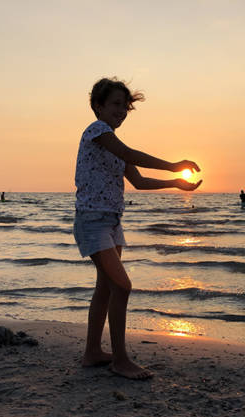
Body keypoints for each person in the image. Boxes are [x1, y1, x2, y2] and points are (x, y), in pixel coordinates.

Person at [74, 77, 202, 380]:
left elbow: (139, 181)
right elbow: (132, 154)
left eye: (125, 107)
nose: (121, 111)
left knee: (105, 287)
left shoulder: (114, 146)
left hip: (112, 222)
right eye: (116, 104)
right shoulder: (97, 132)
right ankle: (120, 360)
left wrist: (176, 182)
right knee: (122, 286)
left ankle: (93, 352)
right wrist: (173, 164)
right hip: (92, 221)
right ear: (98, 106)